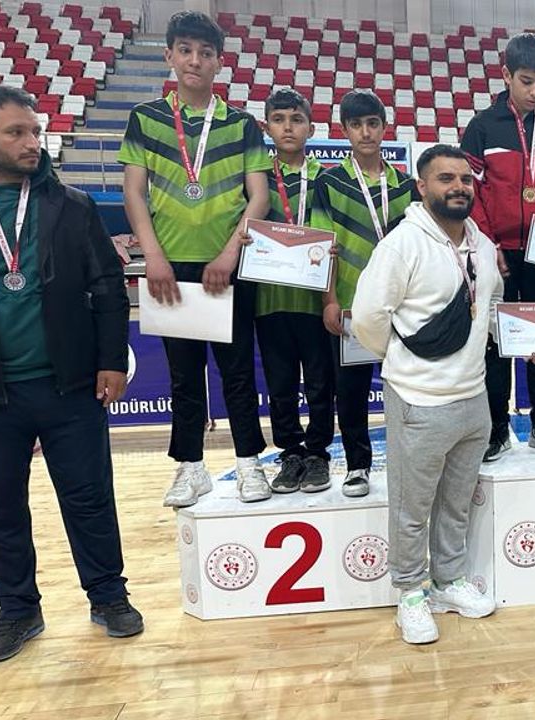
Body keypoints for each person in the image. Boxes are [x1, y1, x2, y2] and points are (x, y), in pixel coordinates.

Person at [0, 85, 142, 663]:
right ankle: (17, 610)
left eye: (36, 132)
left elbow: (107, 287)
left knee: (90, 498)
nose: (32, 143)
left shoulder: (71, 205)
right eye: (16, 132)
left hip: (70, 384)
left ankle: (109, 596)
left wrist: (111, 359)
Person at [119, 10, 273, 506]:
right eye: (185, 50)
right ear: (169, 55)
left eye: (205, 53)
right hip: (170, 268)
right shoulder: (146, 119)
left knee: (237, 371)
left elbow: (258, 196)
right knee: (183, 375)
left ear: (218, 62)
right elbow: (134, 192)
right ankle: (190, 467)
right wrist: (154, 257)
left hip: (228, 266)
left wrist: (230, 253)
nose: (194, 60)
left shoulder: (241, 124)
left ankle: (248, 463)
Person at [351, 145, 503, 644]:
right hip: (418, 398)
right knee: (411, 509)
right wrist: (401, 359)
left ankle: (448, 581)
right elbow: (368, 316)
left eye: (465, 179)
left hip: (473, 396)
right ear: (422, 187)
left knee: (456, 503)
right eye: (445, 178)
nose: (458, 187)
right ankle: (410, 592)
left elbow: (491, 306)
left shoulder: (482, 245)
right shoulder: (402, 245)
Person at [461, 32, 535, 461]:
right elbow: (471, 193)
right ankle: (496, 428)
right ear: (506, 75)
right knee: (495, 345)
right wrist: (487, 244)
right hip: (496, 253)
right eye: (526, 81)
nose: (534, 92)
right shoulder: (481, 127)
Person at [310, 90, 417, 498]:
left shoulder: (407, 185)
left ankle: (408, 460)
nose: (366, 132)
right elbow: (323, 246)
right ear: (344, 130)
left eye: (373, 124)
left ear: (385, 128)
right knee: (350, 390)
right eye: (356, 125)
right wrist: (329, 300)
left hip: (399, 308)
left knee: (405, 387)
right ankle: (358, 465)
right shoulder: (329, 183)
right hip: (351, 306)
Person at [254, 88, 333, 494]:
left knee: (320, 382)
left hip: (315, 299)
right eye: (279, 119)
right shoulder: (257, 177)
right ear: (267, 127)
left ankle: (318, 453)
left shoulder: (328, 178)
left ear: (311, 128)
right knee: (280, 383)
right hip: (270, 298)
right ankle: (290, 454)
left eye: (296, 119)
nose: (288, 127)